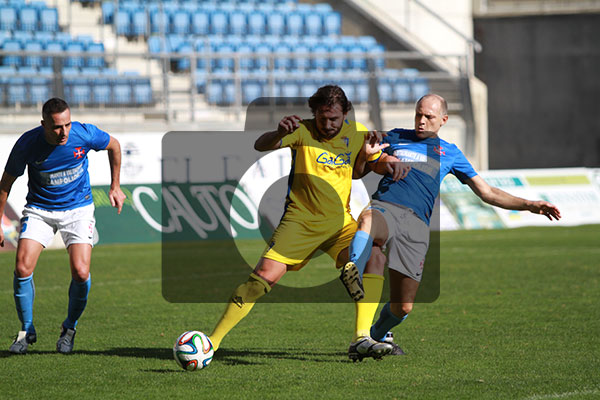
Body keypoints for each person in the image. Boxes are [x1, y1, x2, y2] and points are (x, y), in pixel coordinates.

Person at [342, 93, 561, 358]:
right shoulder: (394, 136)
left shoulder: (451, 153)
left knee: (403, 307)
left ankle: (375, 336)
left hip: (416, 225)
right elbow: (357, 171)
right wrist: (367, 155)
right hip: (387, 207)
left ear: (443, 120)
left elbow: (487, 192)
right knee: (368, 219)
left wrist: (529, 205)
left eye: (429, 117)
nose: (421, 121)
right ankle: (352, 268)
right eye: (418, 114)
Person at [207, 85, 407, 361]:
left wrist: (383, 160)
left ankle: (361, 337)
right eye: (323, 118)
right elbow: (260, 145)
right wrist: (279, 133)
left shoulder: (357, 132)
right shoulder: (301, 130)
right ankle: (212, 343)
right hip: (299, 222)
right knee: (261, 280)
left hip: (339, 224)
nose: (328, 124)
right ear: (315, 114)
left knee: (374, 256)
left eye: (334, 119)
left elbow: (367, 167)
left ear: (345, 113)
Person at [0, 98, 126, 354]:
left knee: (81, 272)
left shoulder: (83, 133)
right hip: (40, 210)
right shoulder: (27, 144)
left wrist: (116, 185)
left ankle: (69, 328)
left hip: (78, 209)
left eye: (67, 124)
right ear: (43, 124)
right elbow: (6, 183)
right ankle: (26, 330)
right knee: (22, 267)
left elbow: (114, 145)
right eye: (57, 127)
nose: (64, 132)